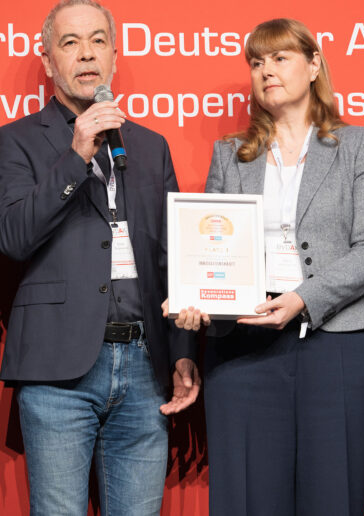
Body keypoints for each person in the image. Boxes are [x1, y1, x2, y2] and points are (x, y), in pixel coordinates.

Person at [164, 18, 364, 516]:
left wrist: (304, 299)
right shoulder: (230, 155)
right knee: (249, 500)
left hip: (339, 346)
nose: (265, 70)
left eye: (280, 58)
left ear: (313, 66)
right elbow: (211, 251)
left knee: (333, 497)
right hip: (244, 351)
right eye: (256, 62)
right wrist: (194, 296)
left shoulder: (358, 145)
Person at [0, 1, 199, 514]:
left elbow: (171, 257)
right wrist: (77, 154)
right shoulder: (15, 141)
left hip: (145, 368)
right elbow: (14, 237)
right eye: (70, 43)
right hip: (56, 371)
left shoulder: (150, 146)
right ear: (48, 61)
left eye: (97, 41)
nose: (86, 54)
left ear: (113, 55)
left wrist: (181, 351)